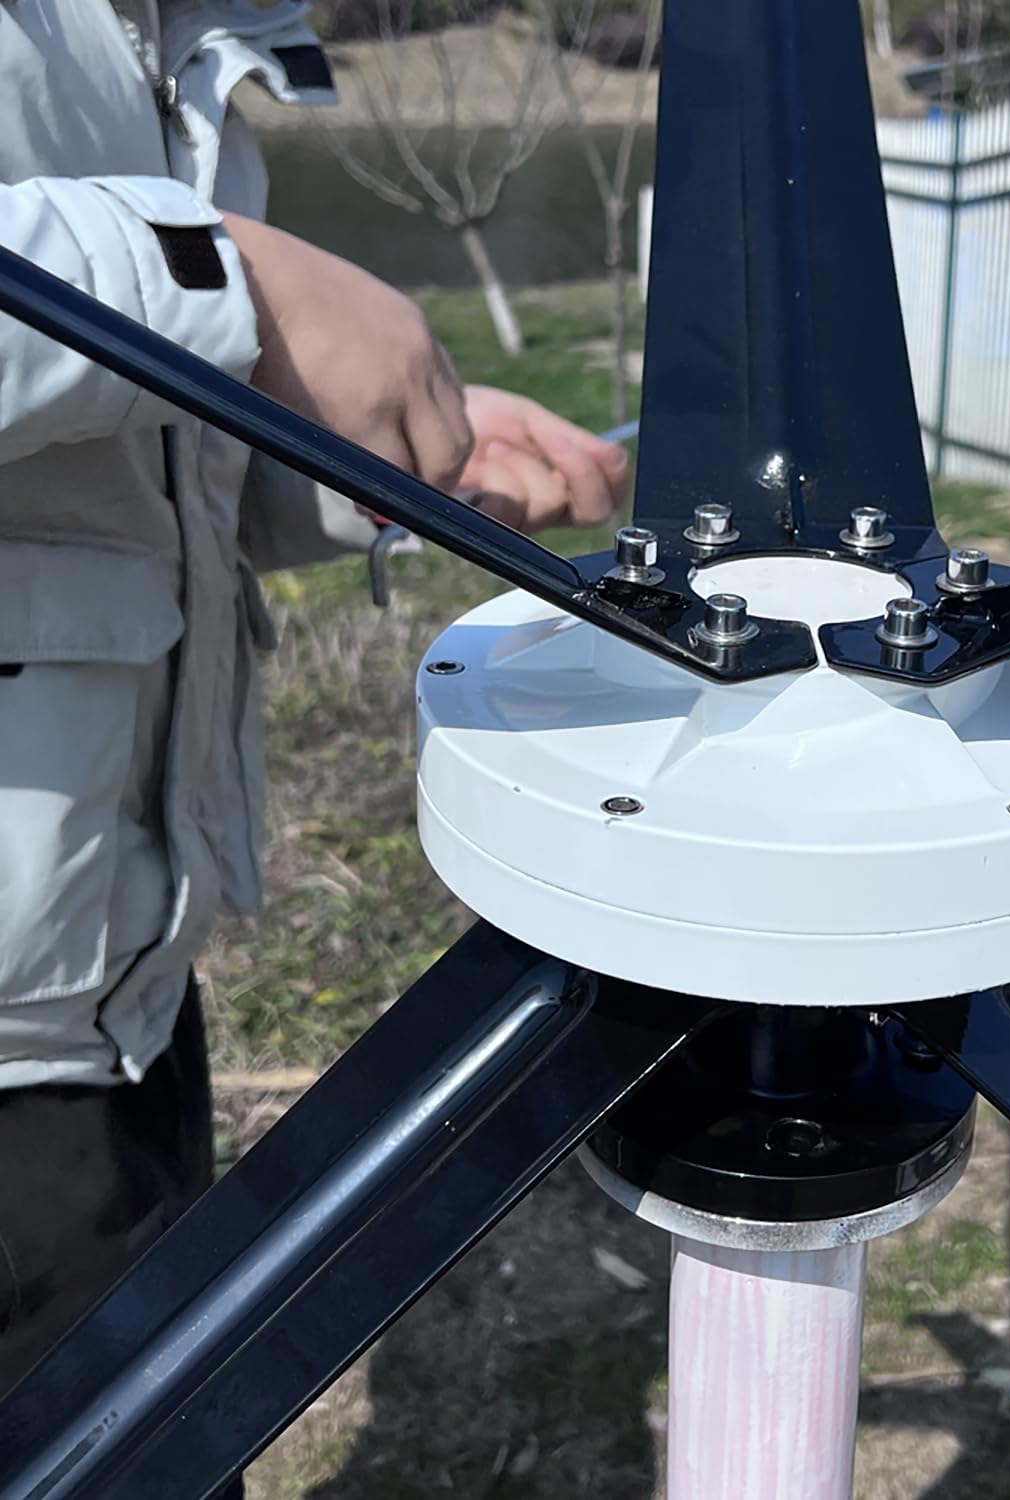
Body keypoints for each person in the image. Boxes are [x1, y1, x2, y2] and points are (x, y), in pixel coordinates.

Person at [0, 0, 630, 1433]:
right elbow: (192, 309)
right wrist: (235, 283)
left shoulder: (172, 44)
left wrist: (380, 463)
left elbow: (127, 475)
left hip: (111, 986)